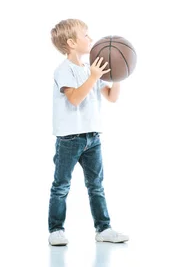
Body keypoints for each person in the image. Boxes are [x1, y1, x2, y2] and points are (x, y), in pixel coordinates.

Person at [48, 19, 129, 246]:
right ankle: (55, 229)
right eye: (86, 35)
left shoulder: (90, 69)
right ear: (72, 43)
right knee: (61, 185)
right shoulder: (63, 70)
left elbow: (112, 97)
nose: (91, 39)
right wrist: (93, 76)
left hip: (92, 137)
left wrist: (117, 76)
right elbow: (74, 99)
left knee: (96, 185)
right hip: (69, 139)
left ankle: (103, 228)